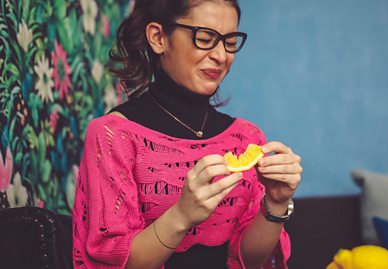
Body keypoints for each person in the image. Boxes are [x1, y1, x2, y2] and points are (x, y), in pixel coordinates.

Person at [72, 0, 303, 268]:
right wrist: (181, 216)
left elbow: (248, 260)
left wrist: (276, 203)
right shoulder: (113, 134)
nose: (221, 55)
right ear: (158, 38)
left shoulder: (247, 137)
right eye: (205, 38)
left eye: (229, 41)